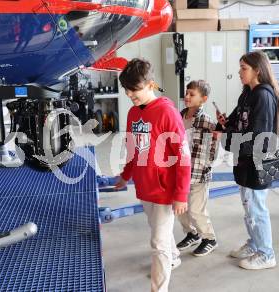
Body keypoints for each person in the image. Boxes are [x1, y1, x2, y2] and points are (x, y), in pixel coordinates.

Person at [114, 58, 191, 292]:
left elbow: (183, 157)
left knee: (158, 243)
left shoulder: (168, 113)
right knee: (160, 232)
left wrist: (181, 194)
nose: (129, 94)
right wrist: (126, 174)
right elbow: (133, 149)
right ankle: (173, 257)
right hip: (145, 187)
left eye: (134, 89)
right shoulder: (133, 113)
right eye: (126, 90)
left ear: (150, 84)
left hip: (165, 191)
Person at [215, 51, 279, 270]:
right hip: (246, 160)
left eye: (244, 68)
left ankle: (267, 254)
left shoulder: (263, 96)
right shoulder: (247, 93)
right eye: (240, 67)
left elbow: (260, 139)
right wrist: (225, 125)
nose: (239, 72)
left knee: (257, 208)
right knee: (249, 207)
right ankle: (255, 243)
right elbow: (237, 122)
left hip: (260, 161)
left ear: (257, 70)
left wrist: (226, 138)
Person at [176, 80, 218, 257]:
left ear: (203, 99)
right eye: (186, 93)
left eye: (192, 94)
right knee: (180, 208)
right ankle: (192, 234)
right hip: (180, 172)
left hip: (198, 174)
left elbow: (212, 151)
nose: (187, 97)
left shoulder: (207, 122)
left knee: (196, 210)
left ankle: (209, 238)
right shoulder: (179, 116)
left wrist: (205, 168)